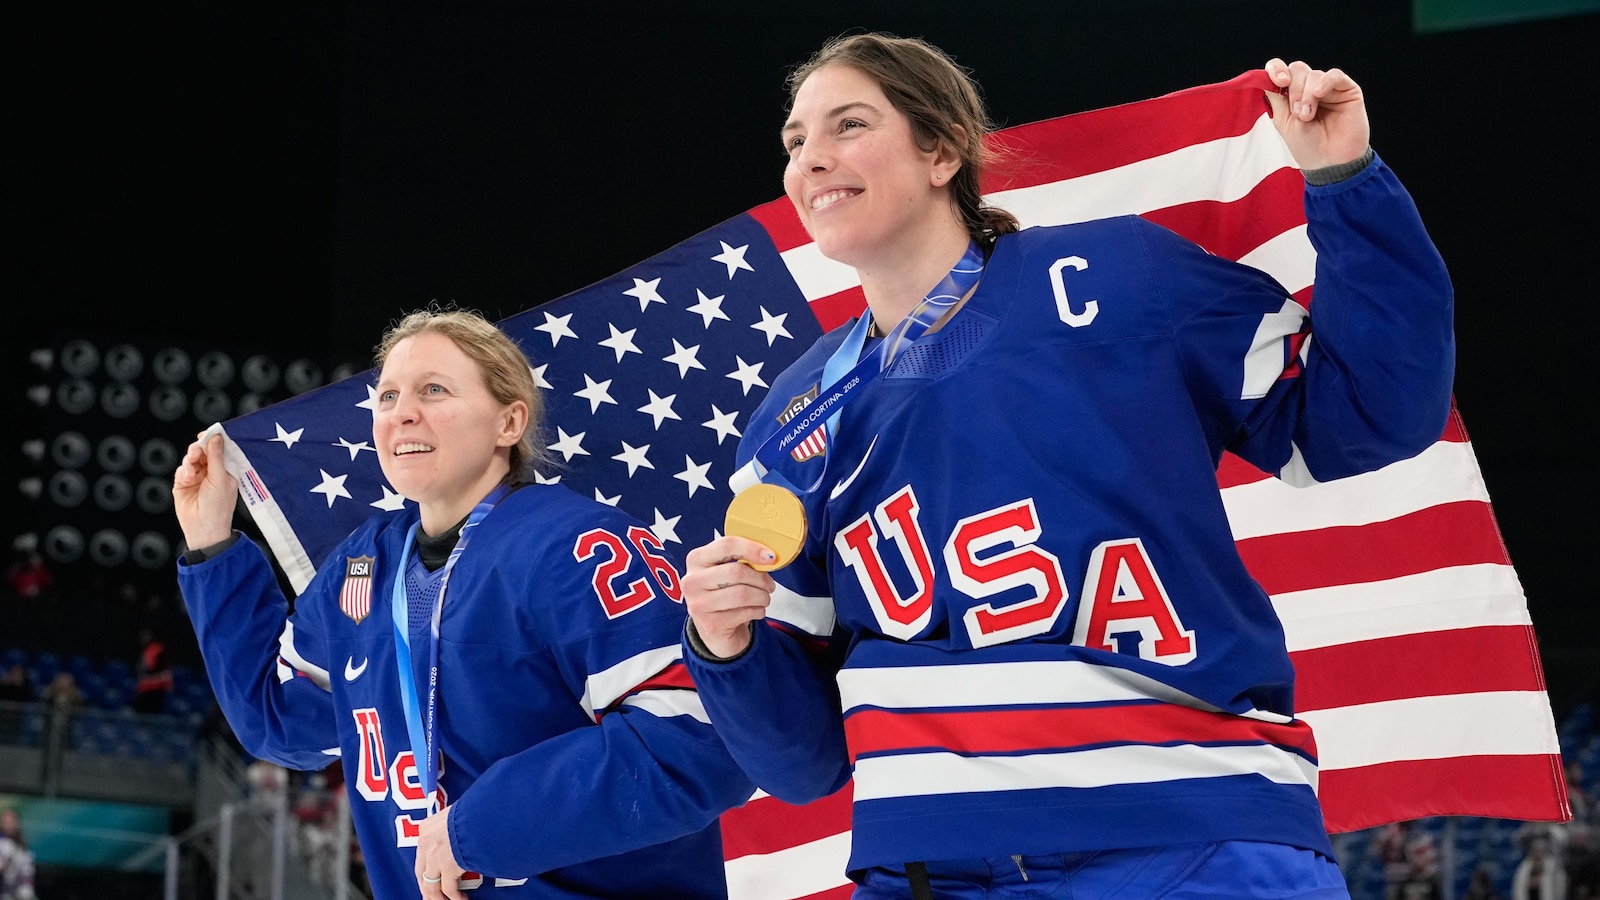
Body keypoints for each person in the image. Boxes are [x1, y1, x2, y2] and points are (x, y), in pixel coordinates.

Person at [681, 33, 1453, 899]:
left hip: (1195, 837)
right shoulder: (789, 424)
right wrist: (725, 645)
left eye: (847, 125)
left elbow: (1366, 418)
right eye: (794, 142)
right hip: (932, 869)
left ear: (941, 151)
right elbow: (805, 764)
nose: (811, 158)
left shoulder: (1120, 277)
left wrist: (1344, 181)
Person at [174, 309, 753, 898]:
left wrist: (478, 829)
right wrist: (211, 546)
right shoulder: (364, 566)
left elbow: (697, 744)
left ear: (509, 422)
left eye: (433, 390)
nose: (402, 412)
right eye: (388, 396)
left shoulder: (582, 549)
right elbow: (279, 723)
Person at [133, 626, 173, 714]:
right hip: (145, 691)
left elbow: (165, 672)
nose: (144, 638)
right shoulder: (145, 651)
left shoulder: (157, 649)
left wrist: (157, 679)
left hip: (156, 691)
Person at [0, 808, 34, 900]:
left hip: (20, 891)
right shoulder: (3, 844)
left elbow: (27, 870)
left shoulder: (22, 844)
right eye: (6, 822)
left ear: (17, 823)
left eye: (11, 822)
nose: (8, 825)